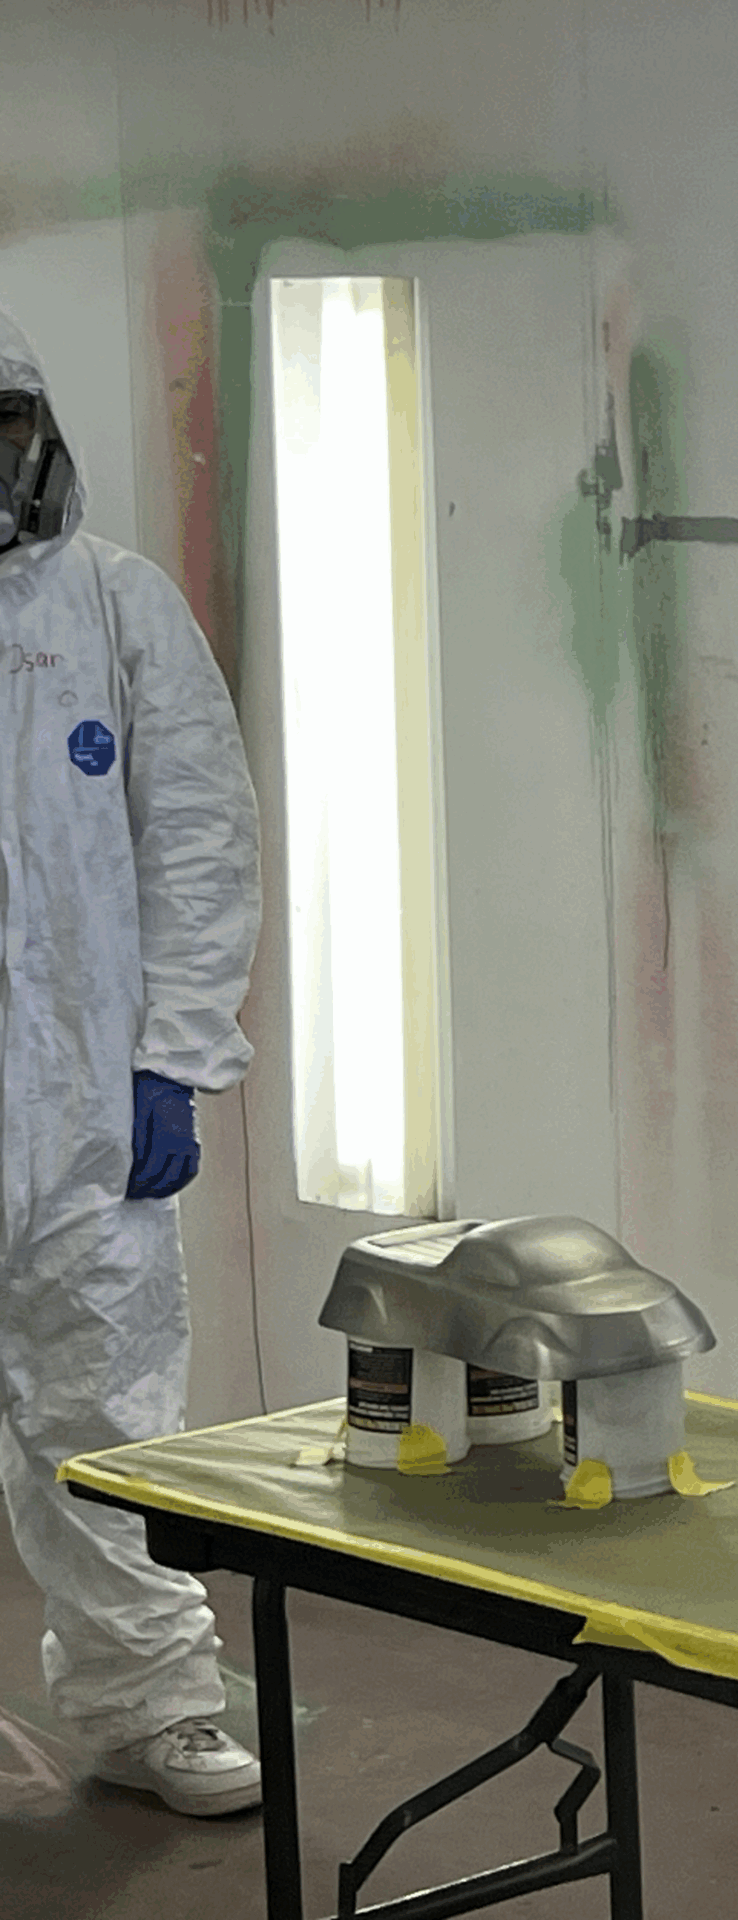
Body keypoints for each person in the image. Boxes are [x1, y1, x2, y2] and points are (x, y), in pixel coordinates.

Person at [0, 306, 264, 1810]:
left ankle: (152, 1706)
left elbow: (199, 836)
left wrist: (173, 1058)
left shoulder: (114, 605)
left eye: (3, 426)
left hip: (88, 1115)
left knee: (105, 1419)